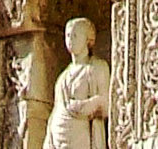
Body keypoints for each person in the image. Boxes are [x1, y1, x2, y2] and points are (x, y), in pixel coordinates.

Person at [44, 18, 110, 149]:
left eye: (75, 35)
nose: (70, 39)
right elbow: (56, 109)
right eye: (68, 35)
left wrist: (86, 105)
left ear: (87, 39)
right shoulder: (63, 76)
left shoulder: (97, 67)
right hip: (58, 135)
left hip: (80, 135)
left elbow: (106, 104)